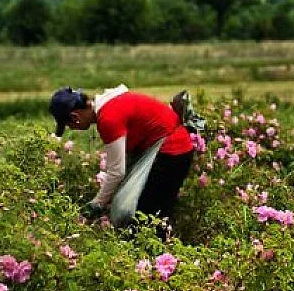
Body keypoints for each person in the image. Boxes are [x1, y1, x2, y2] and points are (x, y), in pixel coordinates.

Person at [49, 84, 195, 225]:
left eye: (69, 125)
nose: (73, 128)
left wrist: (95, 205)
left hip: (172, 151)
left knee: (145, 218)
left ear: (75, 117)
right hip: (176, 148)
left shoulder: (108, 118)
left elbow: (116, 172)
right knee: (150, 214)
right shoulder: (111, 103)